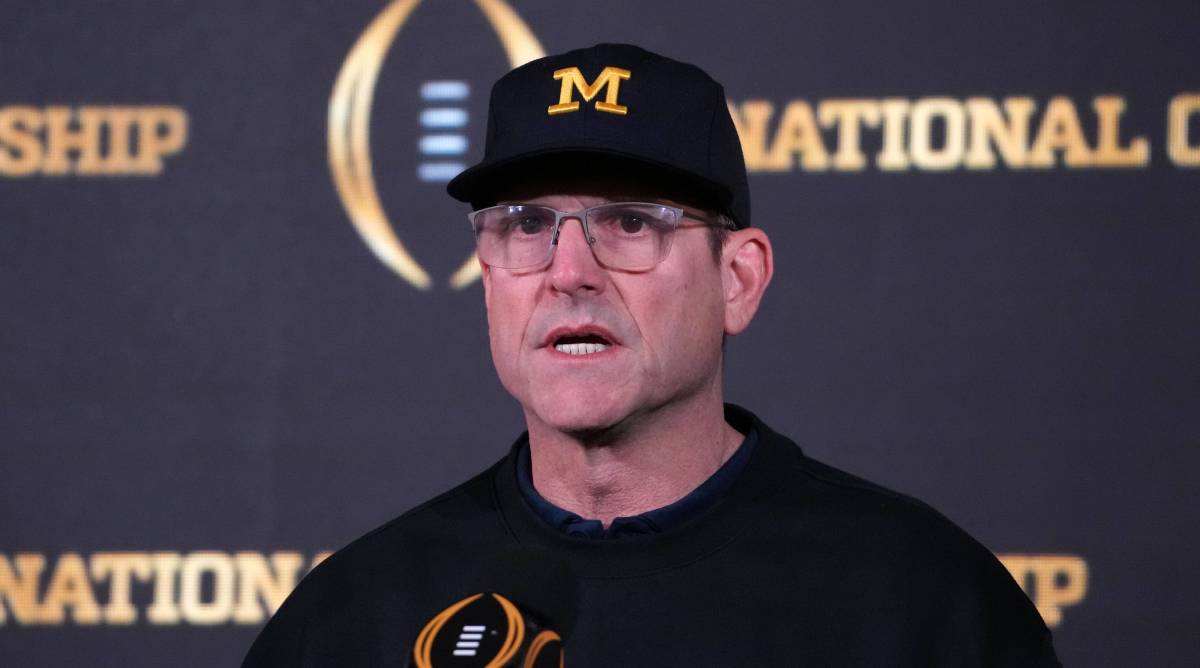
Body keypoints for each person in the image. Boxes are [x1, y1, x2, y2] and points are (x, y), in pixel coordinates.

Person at [243, 43, 1059, 666]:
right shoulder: (352, 620)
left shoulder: (925, 606)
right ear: (488, 275)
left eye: (631, 222)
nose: (569, 273)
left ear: (738, 279)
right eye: (527, 224)